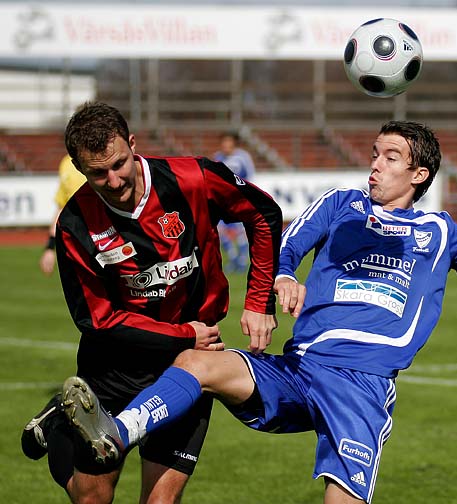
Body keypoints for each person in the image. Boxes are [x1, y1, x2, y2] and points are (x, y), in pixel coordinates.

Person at [60, 121, 457, 504]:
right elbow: (286, 243)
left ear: (419, 172)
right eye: (374, 153)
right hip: (297, 370)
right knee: (199, 360)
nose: (374, 163)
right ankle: (114, 434)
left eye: (389, 156)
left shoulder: (442, 234)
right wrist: (281, 279)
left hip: (360, 385)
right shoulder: (342, 205)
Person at [20, 101, 282, 504]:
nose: (113, 180)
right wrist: (183, 333)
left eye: (119, 164)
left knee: (159, 502)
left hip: (190, 365)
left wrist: (259, 300)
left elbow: (263, 214)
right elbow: (97, 320)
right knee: (93, 498)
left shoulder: (193, 178)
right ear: (78, 167)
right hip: (115, 366)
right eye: (97, 173)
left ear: (132, 144)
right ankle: (61, 424)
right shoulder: (75, 225)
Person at [213, 131, 256, 272]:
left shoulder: (243, 157)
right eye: (223, 143)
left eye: (228, 142)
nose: (226, 146)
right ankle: (232, 258)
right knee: (221, 230)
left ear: (234, 143)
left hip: (239, 200)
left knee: (241, 231)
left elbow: (250, 176)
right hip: (222, 201)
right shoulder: (218, 158)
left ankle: (243, 260)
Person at [39, 153, 86, 275]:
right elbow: (62, 208)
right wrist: (50, 247)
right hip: (77, 245)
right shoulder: (66, 163)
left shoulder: (103, 158)